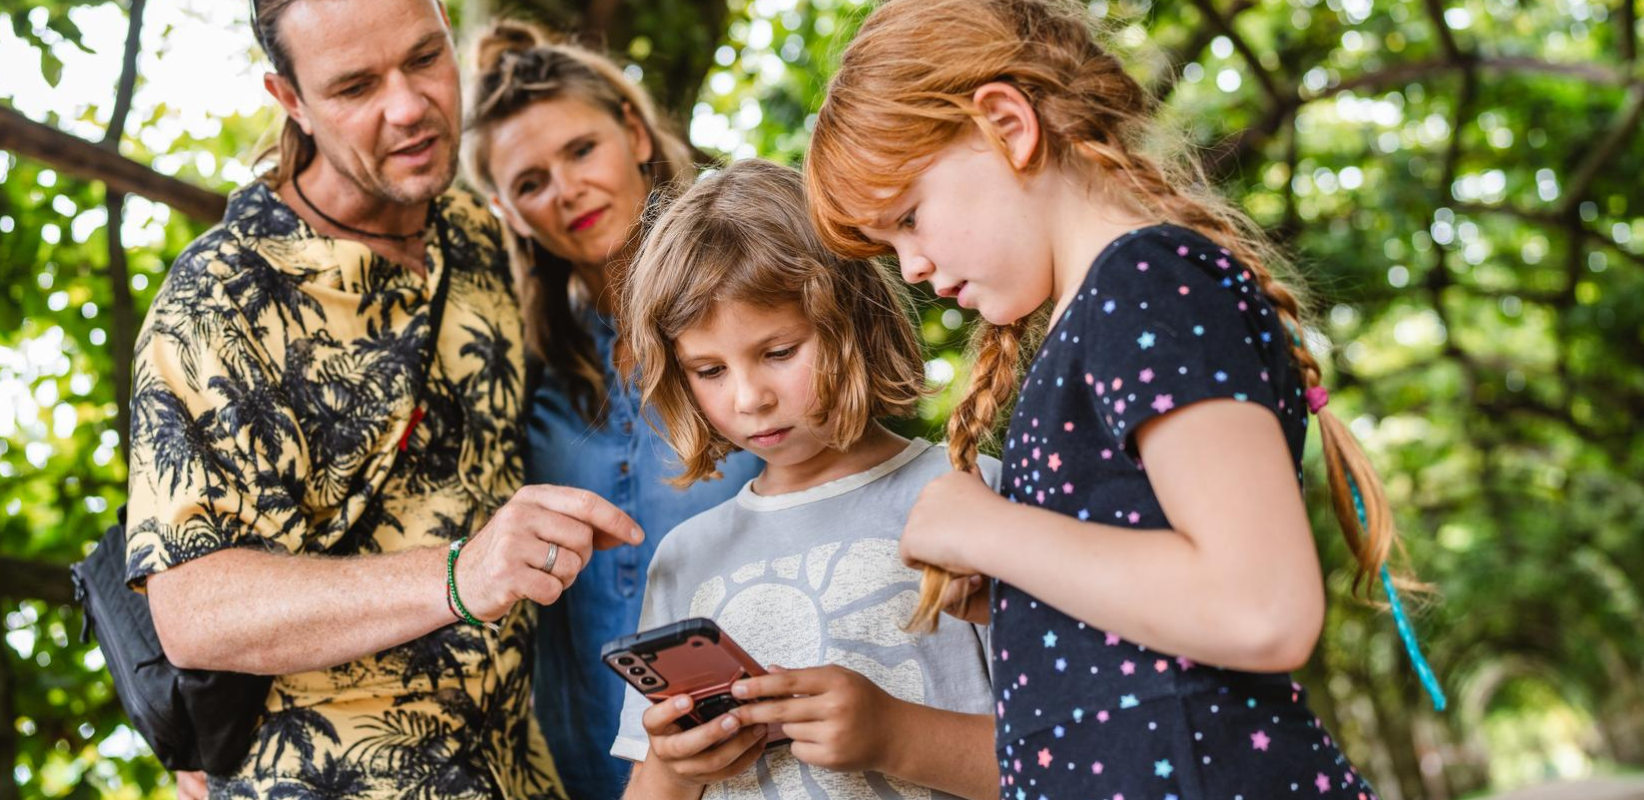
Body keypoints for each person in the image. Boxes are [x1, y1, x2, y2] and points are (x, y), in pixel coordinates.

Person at [806, 0, 1421, 797]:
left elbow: (1262, 608)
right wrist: (1022, 597)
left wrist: (996, 533)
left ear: (1006, 124)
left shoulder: (1144, 283)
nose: (912, 267)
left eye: (909, 218)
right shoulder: (1098, 313)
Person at [123, 1, 641, 798]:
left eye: (425, 58)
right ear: (289, 97)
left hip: (522, 772)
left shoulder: (474, 231)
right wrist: (462, 574)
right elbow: (191, 609)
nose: (408, 107)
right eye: (356, 86)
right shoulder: (218, 300)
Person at [611, 159, 1001, 800]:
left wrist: (895, 734)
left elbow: (1072, 762)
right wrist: (675, 765)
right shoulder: (685, 557)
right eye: (708, 370)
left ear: (855, 319)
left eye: (778, 352)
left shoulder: (976, 497)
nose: (748, 398)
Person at [458, 21, 764, 800]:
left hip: (763, 748)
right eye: (531, 182)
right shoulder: (523, 368)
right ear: (510, 211)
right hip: (586, 764)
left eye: (581, 150)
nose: (566, 190)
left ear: (632, 131)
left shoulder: (756, 309)